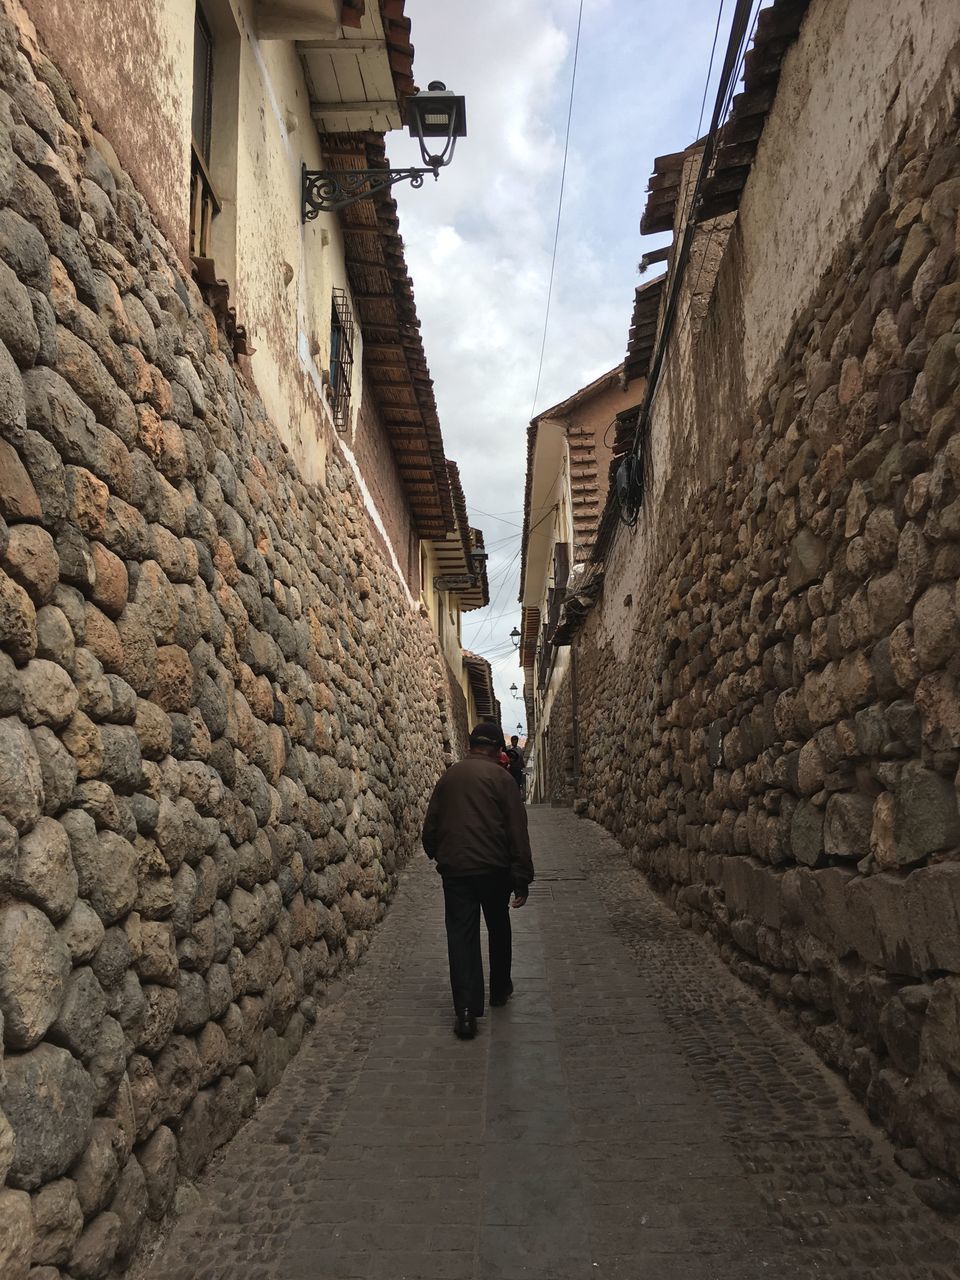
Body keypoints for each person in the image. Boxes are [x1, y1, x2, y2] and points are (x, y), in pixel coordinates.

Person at [422, 721, 535, 1039]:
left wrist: (436, 852)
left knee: (461, 936)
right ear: (498, 748)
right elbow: (517, 831)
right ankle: (499, 990)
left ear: (471, 745)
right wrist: (521, 876)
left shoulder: (450, 776)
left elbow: (431, 824)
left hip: (456, 870)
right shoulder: (502, 779)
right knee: (498, 927)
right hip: (494, 870)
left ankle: (466, 1013)